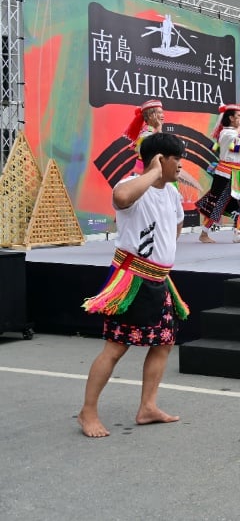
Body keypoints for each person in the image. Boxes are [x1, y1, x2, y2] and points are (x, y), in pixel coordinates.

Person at [78, 133, 190, 438]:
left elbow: (177, 225)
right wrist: (152, 173)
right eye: (176, 159)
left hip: (160, 279)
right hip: (133, 281)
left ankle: (147, 407)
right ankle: (87, 412)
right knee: (115, 348)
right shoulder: (130, 185)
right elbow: (122, 199)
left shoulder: (172, 193)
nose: (181, 164)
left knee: (163, 343)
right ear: (159, 160)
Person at [196, 104, 240, 244]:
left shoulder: (239, 131)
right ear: (231, 118)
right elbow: (238, 146)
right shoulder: (226, 133)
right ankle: (204, 233)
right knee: (218, 203)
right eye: (238, 116)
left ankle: (238, 233)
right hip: (226, 173)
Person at [123, 99, 165, 175]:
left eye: (162, 112)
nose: (163, 115)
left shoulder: (151, 132)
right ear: (150, 115)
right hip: (145, 176)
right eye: (159, 112)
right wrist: (159, 129)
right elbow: (158, 152)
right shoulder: (145, 135)